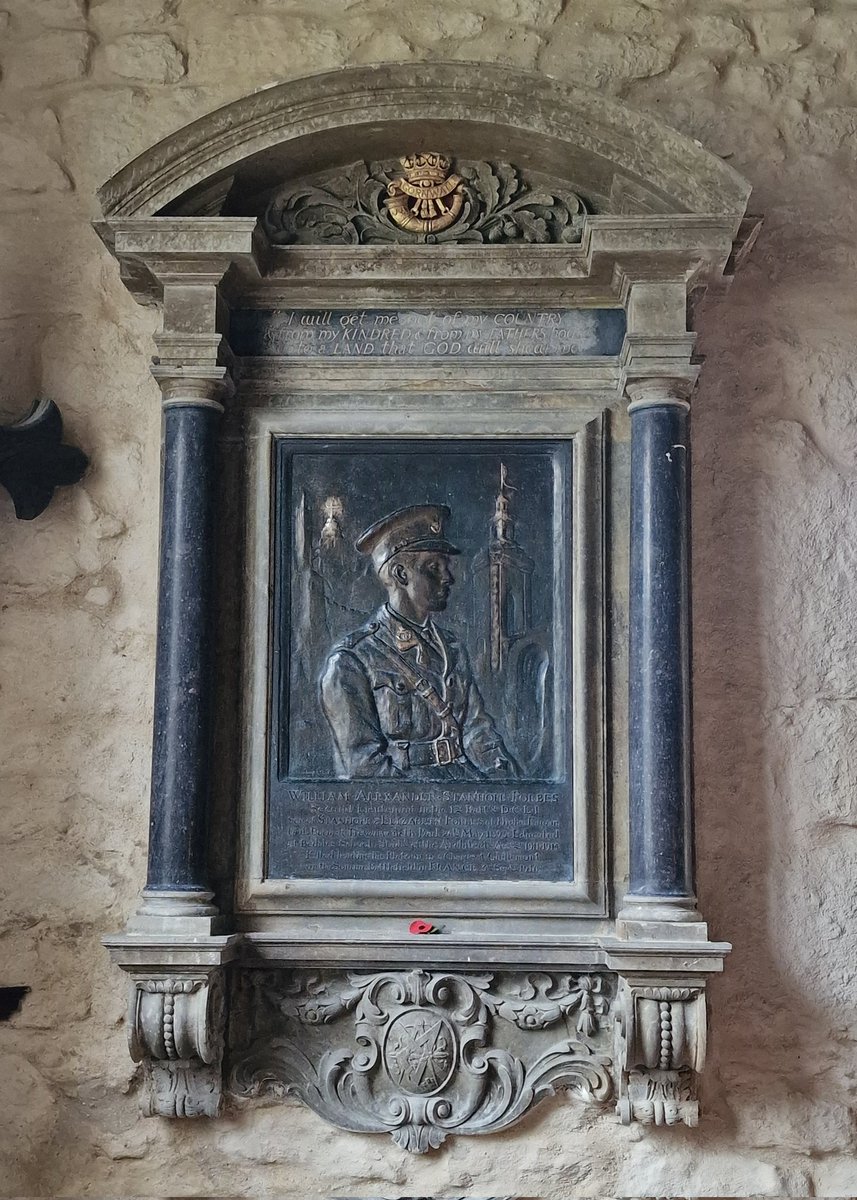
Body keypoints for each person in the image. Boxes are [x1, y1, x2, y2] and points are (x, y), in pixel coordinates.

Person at [320, 504, 517, 781]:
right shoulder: (352, 661)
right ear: (401, 575)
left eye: (446, 566)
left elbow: (478, 732)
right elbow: (364, 770)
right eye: (433, 567)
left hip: (466, 794)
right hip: (407, 809)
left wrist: (506, 787)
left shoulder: (452, 650)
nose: (448, 577)